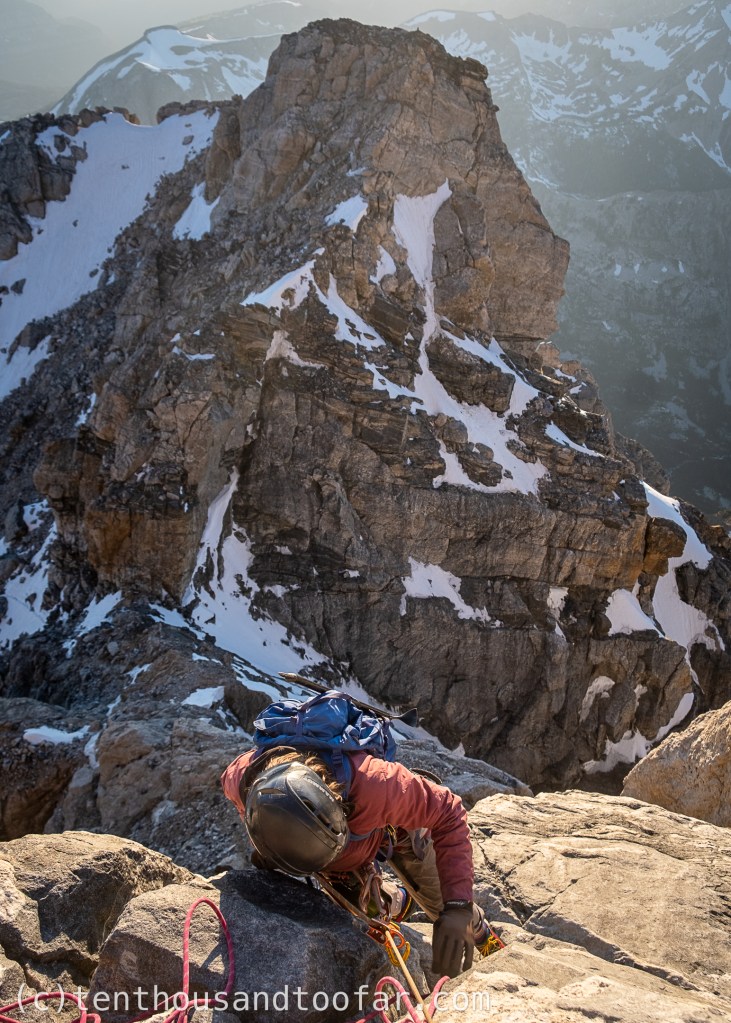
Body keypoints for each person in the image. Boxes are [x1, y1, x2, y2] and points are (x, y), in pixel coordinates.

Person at [220, 743, 498, 977]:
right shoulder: (243, 780)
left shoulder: (378, 784)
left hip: (395, 833)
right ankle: (396, 900)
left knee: (444, 906)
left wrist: (458, 906)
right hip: (338, 854)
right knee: (363, 911)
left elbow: (449, 812)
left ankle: (480, 932)